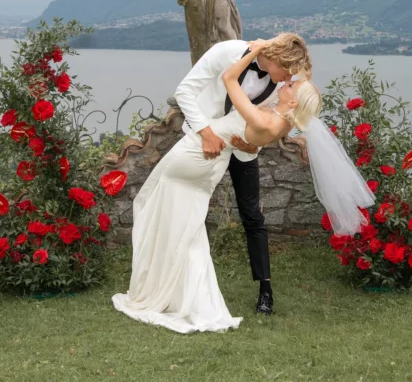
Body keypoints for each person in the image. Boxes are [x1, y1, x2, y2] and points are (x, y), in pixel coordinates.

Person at [112, 37, 374, 333]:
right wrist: (207, 132)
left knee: (252, 215)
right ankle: (173, 286)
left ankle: (265, 291)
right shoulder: (228, 52)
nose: (290, 79)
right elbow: (185, 91)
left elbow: (275, 119)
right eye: (287, 73)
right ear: (276, 61)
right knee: (190, 215)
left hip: (241, 145)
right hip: (206, 140)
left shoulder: (284, 86)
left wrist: (252, 145)